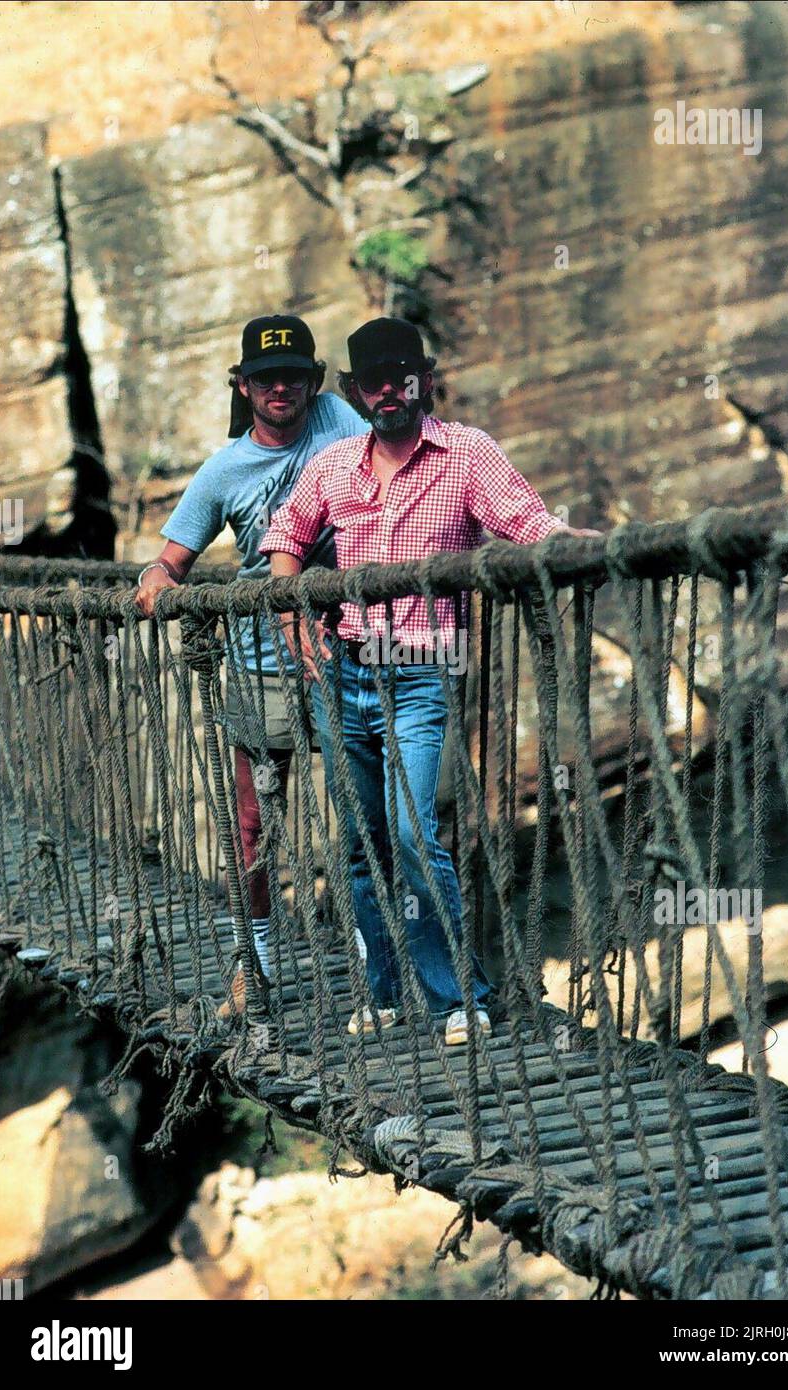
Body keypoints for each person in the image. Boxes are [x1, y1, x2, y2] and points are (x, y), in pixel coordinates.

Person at [260, 317, 601, 1046]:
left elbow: (525, 522)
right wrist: (292, 611)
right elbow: (285, 536)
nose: (389, 390)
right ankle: (383, 993)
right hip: (345, 672)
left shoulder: (467, 452)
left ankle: (455, 1000)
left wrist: (588, 548)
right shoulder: (332, 467)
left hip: (418, 671)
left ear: (424, 379)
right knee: (359, 843)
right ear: (353, 392)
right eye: (372, 380)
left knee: (415, 835)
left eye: (401, 375)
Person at [134, 314, 363, 1014]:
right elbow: (169, 561)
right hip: (261, 662)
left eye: (294, 374)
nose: (280, 388)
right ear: (243, 385)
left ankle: (380, 965)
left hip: (346, 650)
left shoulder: (340, 419)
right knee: (253, 821)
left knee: (367, 811)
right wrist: (156, 583)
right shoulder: (223, 469)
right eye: (265, 378)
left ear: (314, 381)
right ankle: (253, 968)